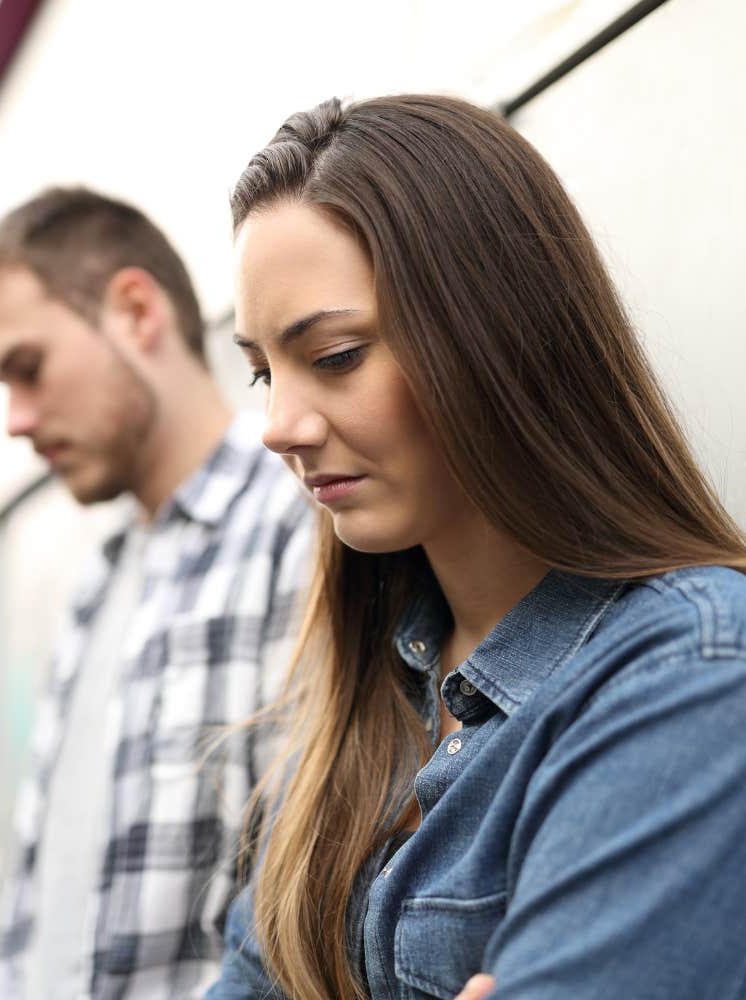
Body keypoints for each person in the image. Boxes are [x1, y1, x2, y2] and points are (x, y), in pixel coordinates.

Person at [206, 95, 746, 1000]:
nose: (278, 425)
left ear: (496, 334)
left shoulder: (690, 671)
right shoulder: (354, 707)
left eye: (335, 356)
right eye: (264, 372)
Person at [0, 186, 312, 1000]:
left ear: (136, 312)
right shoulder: (96, 582)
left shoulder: (297, 524)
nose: (16, 419)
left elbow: (308, 897)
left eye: (29, 369)